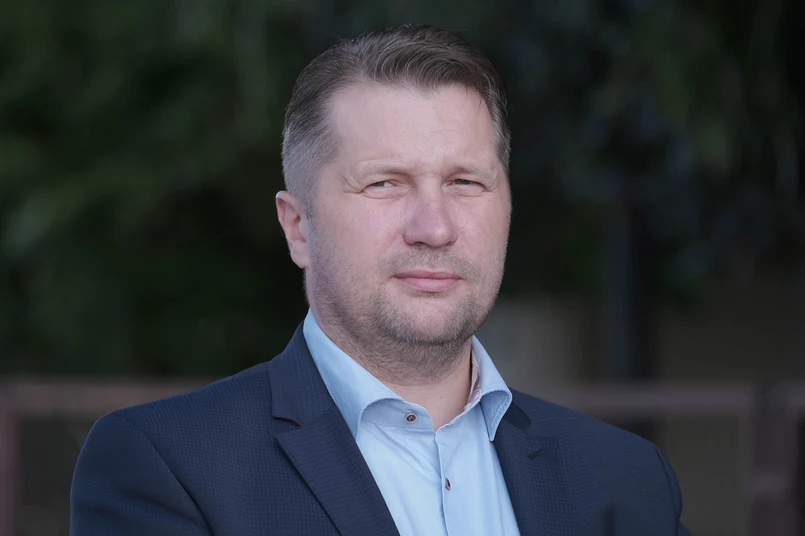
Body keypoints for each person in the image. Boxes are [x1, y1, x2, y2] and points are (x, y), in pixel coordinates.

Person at [70, 24, 690, 536]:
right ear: (298, 228)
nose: (434, 228)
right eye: (385, 183)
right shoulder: (169, 468)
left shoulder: (626, 481)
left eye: (465, 182)